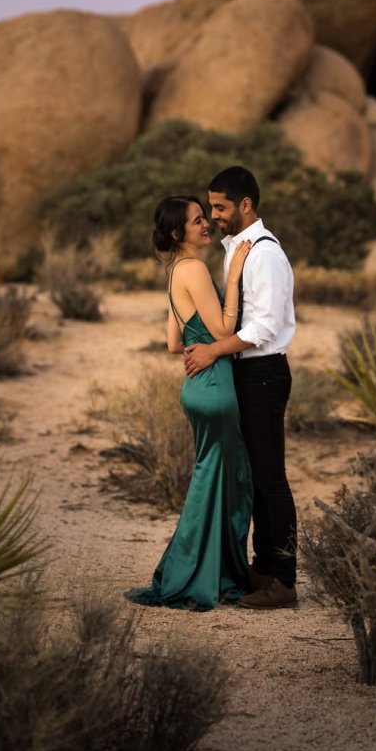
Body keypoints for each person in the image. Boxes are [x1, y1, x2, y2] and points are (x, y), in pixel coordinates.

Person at [125, 195, 253, 611]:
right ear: (178, 232)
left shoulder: (175, 271)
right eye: (198, 221)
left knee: (210, 481)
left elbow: (172, 342)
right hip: (215, 384)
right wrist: (232, 278)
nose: (206, 225)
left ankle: (202, 570)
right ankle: (198, 576)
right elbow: (223, 329)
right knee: (225, 483)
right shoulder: (195, 268)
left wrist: (203, 335)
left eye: (205, 218)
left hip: (196, 386)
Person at [183, 166, 298, 609]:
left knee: (270, 479)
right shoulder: (237, 250)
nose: (212, 216)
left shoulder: (263, 253)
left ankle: (282, 581)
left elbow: (266, 327)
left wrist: (212, 351)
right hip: (248, 373)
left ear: (246, 204)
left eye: (220, 207)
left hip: (264, 373)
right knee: (254, 478)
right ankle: (262, 568)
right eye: (210, 207)